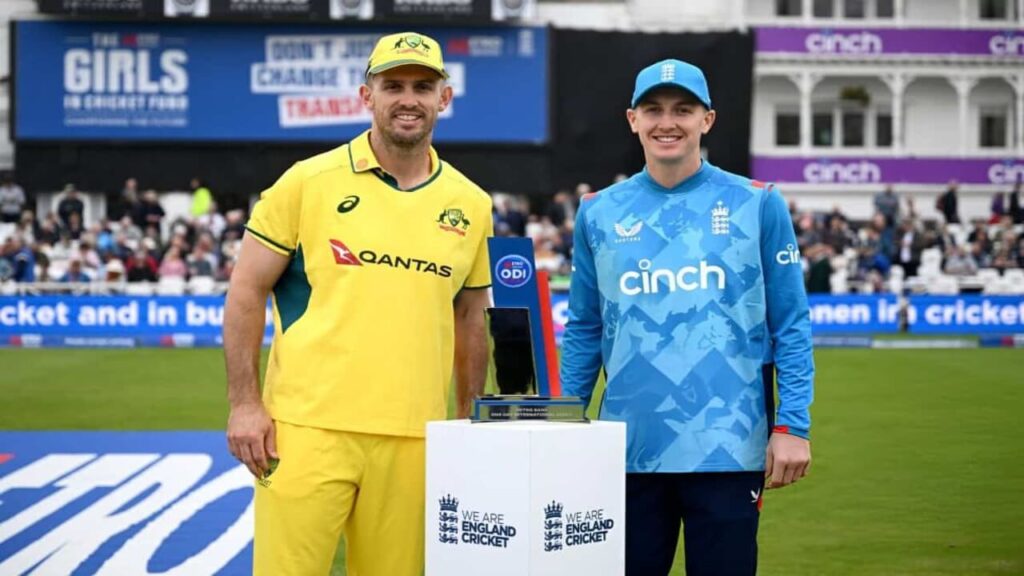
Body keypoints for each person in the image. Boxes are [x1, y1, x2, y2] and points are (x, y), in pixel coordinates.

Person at [223, 31, 492, 576]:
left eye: (423, 86)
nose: (408, 99)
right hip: (305, 429)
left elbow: (470, 316)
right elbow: (246, 290)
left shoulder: (472, 203)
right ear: (367, 96)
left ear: (444, 98)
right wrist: (245, 404)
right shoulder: (307, 181)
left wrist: (467, 418)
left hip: (414, 435)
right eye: (393, 86)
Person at [560, 59, 814, 576]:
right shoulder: (598, 211)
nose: (667, 122)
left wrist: (792, 424)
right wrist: (562, 422)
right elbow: (585, 327)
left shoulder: (758, 203)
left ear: (708, 119)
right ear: (633, 119)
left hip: (728, 447)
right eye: (653, 109)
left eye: (683, 109)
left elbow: (790, 324)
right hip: (627, 449)